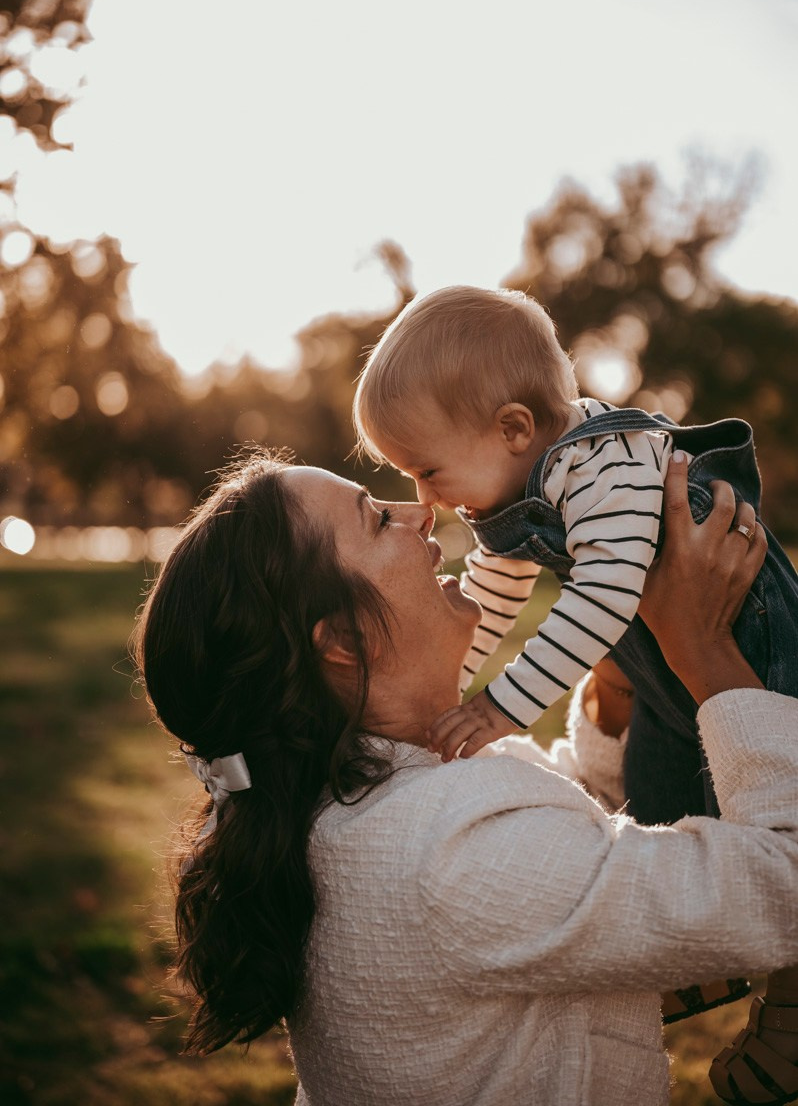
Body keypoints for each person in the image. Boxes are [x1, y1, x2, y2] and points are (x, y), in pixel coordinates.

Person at [137, 448, 798, 1106]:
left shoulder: (362, 805)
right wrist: (705, 648)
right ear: (341, 638)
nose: (419, 513)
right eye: (375, 520)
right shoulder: (450, 859)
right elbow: (784, 888)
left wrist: (620, 677)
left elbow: (567, 852)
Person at [353, 284, 798, 1070]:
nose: (424, 501)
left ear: (514, 427)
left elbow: (604, 597)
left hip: (758, 648)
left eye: (427, 470)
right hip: (663, 669)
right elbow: (495, 589)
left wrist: (499, 705)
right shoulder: (527, 475)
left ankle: (793, 999)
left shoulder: (609, 471)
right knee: (662, 811)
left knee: (774, 794)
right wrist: (451, 686)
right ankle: (698, 952)